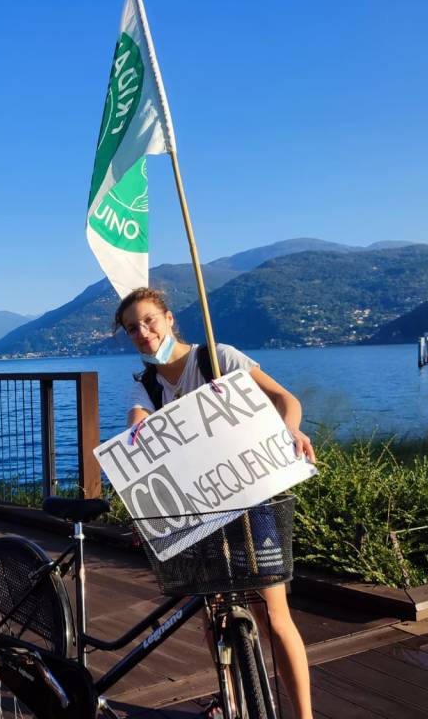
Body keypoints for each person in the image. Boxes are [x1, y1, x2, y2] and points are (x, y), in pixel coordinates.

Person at [114, 287, 314, 719]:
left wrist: (289, 432)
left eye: (149, 320)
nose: (143, 332)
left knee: (274, 616)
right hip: (198, 511)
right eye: (133, 328)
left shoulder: (217, 358)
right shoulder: (144, 385)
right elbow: (138, 433)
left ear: (169, 319)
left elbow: (286, 401)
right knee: (213, 609)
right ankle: (231, 700)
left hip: (253, 500)